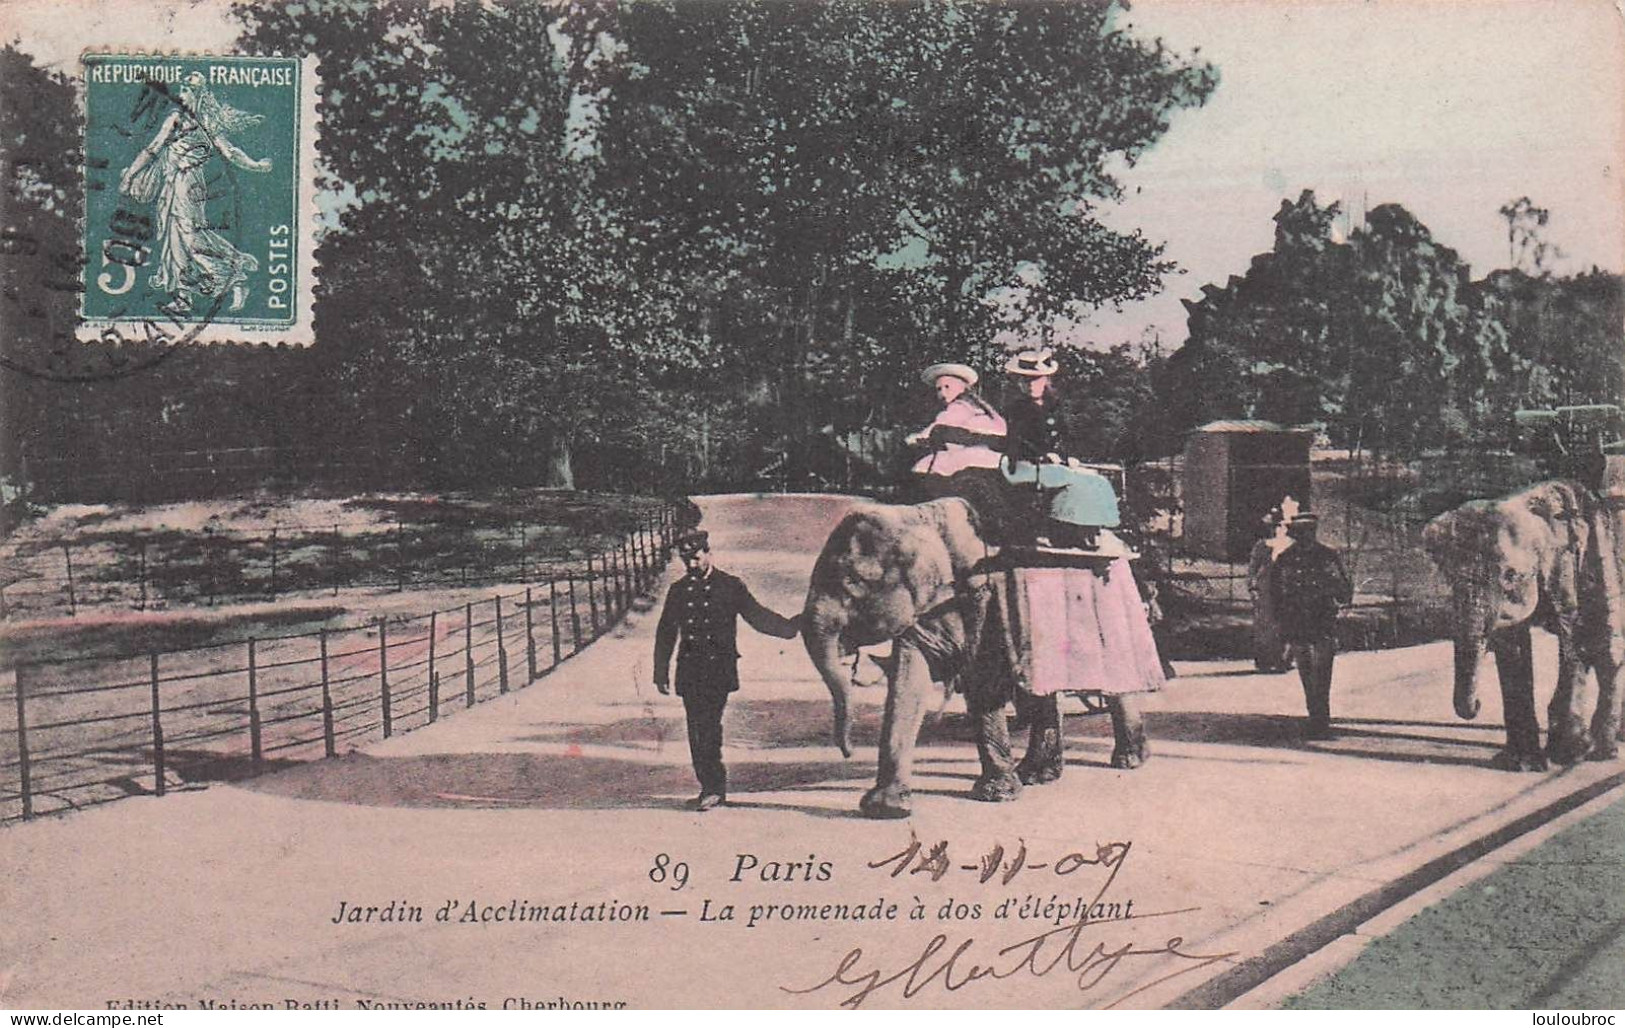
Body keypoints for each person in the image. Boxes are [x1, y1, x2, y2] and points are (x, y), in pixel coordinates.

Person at [653, 530, 800, 811]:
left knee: (708, 727)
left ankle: (713, 787)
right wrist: (660, 672)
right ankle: (710, 787)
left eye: (696, 558)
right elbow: (666, 633)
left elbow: (757, 616)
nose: (692, 565)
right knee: (697, 730)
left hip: (718, 670)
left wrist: (790, 628)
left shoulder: (730, 586)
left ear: (709, 553)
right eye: (687, 561)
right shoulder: (678, 591)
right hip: (689, 671)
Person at [119, 72, 272, 315]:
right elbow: (152, 150)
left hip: (190, 186)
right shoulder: (174, 119)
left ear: (198, 95)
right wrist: (130, 175)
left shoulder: (207, 123)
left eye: (188, 91)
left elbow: (229, 151)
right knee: (173, 239)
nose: (182, 95)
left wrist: (254, 165)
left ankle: (234, 275)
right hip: (172, 183)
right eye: (182, 90)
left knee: (189, 238)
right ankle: (184, 298)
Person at [1270, 512, 1353, 739]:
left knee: (1322, 669)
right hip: (1297, 621)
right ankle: (1315, 715)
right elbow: (1275, 593)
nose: (1304, 537)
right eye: (1301, 533)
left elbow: (1344, 587)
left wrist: (1339, 599)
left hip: (1322, 618)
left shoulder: (1328, 556)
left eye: (1308, 533)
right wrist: (1279, 622)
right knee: (1306, 669)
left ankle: (1320, 716)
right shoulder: (1285, 558)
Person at [906, 362, 1011, 541]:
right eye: (939, 389)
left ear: (963, 387)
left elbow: (937, 428)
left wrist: (915, 438)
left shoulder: (959, 407)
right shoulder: (981, 407)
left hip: (973, 456)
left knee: (924, 467)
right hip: (993, 457)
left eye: (948, 387)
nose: (943, 393)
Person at [1246, 499, 1297, 673]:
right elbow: (1252, 569)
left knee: (1286, 622)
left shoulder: (1291, 545)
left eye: (1280, 525)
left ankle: (1284, 659)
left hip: (1285, 587)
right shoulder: (1261, 546)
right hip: (1266, 587)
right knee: (1265, 623)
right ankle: (1266, 660)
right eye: (1273, 525)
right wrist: (1253, 588)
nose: (1276, 529)